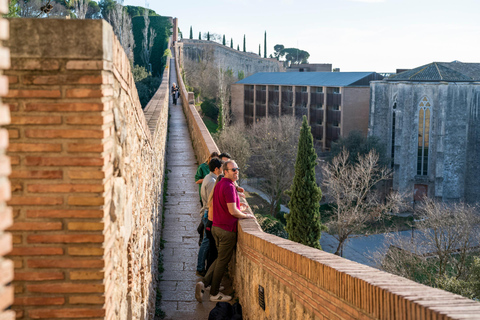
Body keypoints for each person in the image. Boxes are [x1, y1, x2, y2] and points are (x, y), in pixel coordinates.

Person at [195, 160, 255, 303]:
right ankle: (214, 293)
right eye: (233, 169)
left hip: (216, 227)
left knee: (219, 259)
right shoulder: (227, 186)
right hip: (226, 230)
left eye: (237, 169)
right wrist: (246, 215)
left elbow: (228, 204)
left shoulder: (221, 183)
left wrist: (240, 203)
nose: (236, 171)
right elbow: (232, 211)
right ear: (225, 171)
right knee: (222, 262)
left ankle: (204, 283)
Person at [196, 158, 223, 277]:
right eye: (222, 168)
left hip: (205, 212)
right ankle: (200, 268)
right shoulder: (212, 181)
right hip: (208, 213)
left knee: (206, 242)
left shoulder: (208, 177)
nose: (222, 170)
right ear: (217, 169)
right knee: (206, 242)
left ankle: (201, 267)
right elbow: (213, 200)